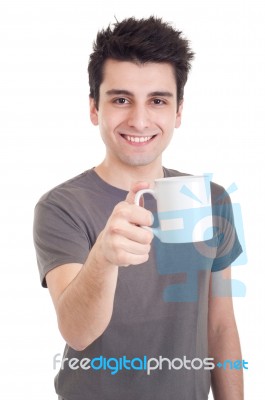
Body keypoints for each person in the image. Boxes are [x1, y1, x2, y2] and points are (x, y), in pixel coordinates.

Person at [33, 16, 244, 400]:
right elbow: (77, 332)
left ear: (178, 112)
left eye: (158, 100)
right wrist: (104, 258)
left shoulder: (211, 200)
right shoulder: (61, 207)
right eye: (121, 99)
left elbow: (220, 327)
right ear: (95, 108)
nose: (140, 119)